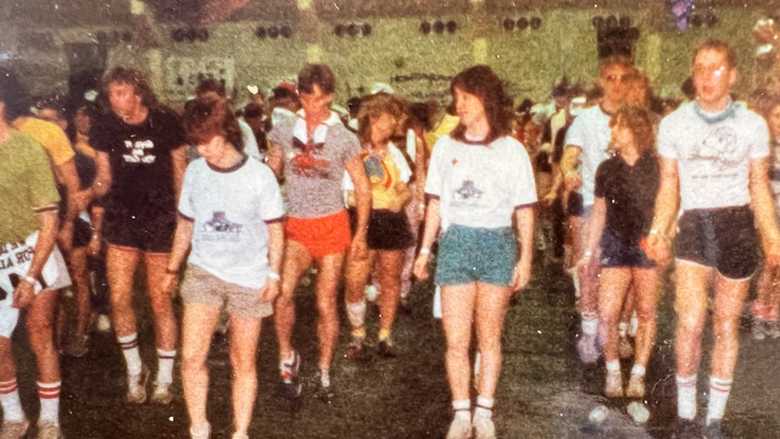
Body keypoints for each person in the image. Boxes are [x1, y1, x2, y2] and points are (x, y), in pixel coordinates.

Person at [645, 39, 780, 439]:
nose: (706, 77)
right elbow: (669, 186)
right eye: (700, 68)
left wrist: (772, 237)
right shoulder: (674, 124)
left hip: (736, 225)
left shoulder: (752, 124)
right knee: (688, 322)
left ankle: (715, 420)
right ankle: (687, 417)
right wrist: (658, 228)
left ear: (732, 75)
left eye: (716, 68)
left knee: (724, 326)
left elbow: (758, 186)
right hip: (694, 225)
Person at [413, 65, 535, 439]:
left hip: (498, 243)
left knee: (489, 338)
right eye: (456, 97)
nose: (458, 105)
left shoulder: (512, 149)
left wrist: (525, 257)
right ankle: (461, 413)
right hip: (457, 244)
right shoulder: (446, 147)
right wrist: (422, 251)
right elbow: (434, 204)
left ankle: (485, 413)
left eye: (465, 97)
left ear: (486, 98)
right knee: (456, 341)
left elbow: (525, 209)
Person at [164, 96, 284, 439]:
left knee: (242, 362)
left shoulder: (260, 177)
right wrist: (172, 269)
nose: (203, 150)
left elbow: (276, 230)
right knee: (190, 357)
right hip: (204, 271)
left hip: (250, 277)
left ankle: (240, 432)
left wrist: (274, 274)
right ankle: (198, 427)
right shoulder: (195, 173)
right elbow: (186, 225)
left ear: (227, 132)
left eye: (209, 141)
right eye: (196, 143)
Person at [266, 64, 370, 403]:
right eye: (308, 99)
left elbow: (363, 188)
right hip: (297, 224)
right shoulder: (282, 129)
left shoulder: (343, 136)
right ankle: (287, 357)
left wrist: (361, 234)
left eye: (321, 100)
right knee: (282, 293)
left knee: (326, 301)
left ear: (330, 97)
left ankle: (324, 370)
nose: (315, 107)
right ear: (300, 95)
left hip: (331, 223)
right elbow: (271, 174)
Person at [90, 67, 187, 405]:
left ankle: (164, 377)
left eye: (122, 93)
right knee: (118, 299)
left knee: (160, 302)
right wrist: (86, 196)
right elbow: (103, 176)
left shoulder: (165, 122)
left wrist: (184, 219)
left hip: (160, 218)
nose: (116, 100)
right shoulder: (105, 125)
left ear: (138, 93)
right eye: (112, 93)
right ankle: (135, 371)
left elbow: (180, 173)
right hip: (122, 218)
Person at [0, 71, 71, 439]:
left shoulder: (27, 149)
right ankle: (14, 416)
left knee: (40, 331)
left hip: (33, 251)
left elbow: (49, 220)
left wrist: (29, 277)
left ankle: (49, 419)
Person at [580, 106, 659, 399]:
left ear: (636, 131)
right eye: (613, 127)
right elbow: (599, 213)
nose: (613, 131)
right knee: (608, 314)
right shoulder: (606, 169)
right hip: (615, 243)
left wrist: (662, 239)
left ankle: (638, 373)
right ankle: (613, 371)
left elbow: (667, 205)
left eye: (620, 127)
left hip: (646, 245)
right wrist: (589, 252)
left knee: (648, 312)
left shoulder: (657, 165)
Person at [559, 56, 632, 364]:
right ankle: (590, 333)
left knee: (629, 273)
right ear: (602, 81)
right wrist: (568, 171)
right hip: (593, 202)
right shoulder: (586, 119)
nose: (616, 84)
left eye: (622, 78)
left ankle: (621, 331)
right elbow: (570, 155)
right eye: (610, 78)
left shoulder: (637, 118)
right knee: (590, 268)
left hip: (630, 209)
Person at [344, 93, 413, 359]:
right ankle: (358, 334)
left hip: (392, 222)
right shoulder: (353, 150)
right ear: (372, 118)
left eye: (394, 122)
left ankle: (385, 335)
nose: (392, 126)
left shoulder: (395, 152)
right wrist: (369, 200)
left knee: (390, 279)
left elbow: (405, 189)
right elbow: (348, 193)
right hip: (362, 220)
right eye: (387, 121)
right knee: (355, 281)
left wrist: (400, 199)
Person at [750, 98, 780, 340]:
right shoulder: (762, 149)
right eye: (777, 116)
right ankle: (761, 308)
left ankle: (774, 312)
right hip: (769, 213)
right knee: (772, 264)